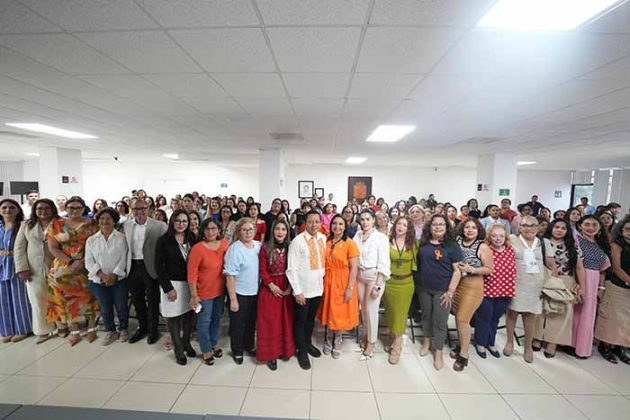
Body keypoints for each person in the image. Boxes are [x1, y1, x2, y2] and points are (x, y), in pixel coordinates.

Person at [46, 196, 99, 345]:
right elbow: (53, 248)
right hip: (64, 263)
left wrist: (84, 261)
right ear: (66, 208)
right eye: (71, 208)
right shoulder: (56, 224)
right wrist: (71, 261)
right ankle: (73, 328)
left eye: (77, 208)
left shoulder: (93, 224)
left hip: (87, 263)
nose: (74, 210)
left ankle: (91, 326)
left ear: (83, 209)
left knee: (89, 294)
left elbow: (99, 243)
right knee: (65, 294)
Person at [533, 219, 585, 358]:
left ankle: (553, 342)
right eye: (556, 227)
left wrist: (582, 287)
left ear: (567, 231)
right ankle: (537, 337)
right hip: (545, 279)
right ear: (551, 227)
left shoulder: (573, 245)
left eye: (563, 228)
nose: (559, 230)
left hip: (566, 281)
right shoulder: (541, 242)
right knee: (541, 311)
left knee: (562, 313)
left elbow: (579, 267)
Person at [417, 214, 462, 370]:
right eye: (435, 224)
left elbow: (457, 271)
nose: (438, 227)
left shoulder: (452, 246)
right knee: (426, 317)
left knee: (440, 322)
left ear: (446, 227)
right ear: (430, 227)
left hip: (443, 291)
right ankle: (426, 341)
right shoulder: (423, 243)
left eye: (441, 224)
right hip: (423, 288)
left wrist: (450, 292)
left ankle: (438, 351)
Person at [122, 198, 168, 344]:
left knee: (153, 300)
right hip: (133, 266)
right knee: (137, 300)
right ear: (132, 210)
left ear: (148, 209)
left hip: (150, 267)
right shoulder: (127, 225)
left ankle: (153, 330)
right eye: (136, 209)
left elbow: (166, 248)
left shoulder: (159, 226)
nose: (140, 212)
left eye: (143, 208)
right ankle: (143, 327)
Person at [450, 218, 493, 371]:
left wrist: (472, 269)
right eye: (467, 227)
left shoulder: (482, 246)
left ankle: (464, 354)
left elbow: (489, 269)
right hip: (458, 283)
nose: (469, 230)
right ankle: (461, 344)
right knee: (458, 317)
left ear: (478, 230)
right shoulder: (457, 241)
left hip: (473, 285)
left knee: (463, 319)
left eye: (473, 228)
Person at [14, 199, 59, 344]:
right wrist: (22, 268)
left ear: (52, 209)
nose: (43, 211)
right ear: (34, 210)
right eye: (39, 208)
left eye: (47, 208)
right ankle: (43, 331)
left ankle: (62, 327)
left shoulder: (60, 223)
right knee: (38, 300)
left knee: (58, 298)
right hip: (33, 268)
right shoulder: (26, 225)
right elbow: (19, 248)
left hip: (57, 265)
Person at [287, 211, 326, 370]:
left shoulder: (323, 239)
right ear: (305, 223)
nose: (313, 225)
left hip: (318, 289)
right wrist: (297, 291)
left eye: (316, 221)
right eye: (310, 221)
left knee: (310, 320)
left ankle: (307, 343)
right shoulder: (297, 241)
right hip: (303, 291)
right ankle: (301, 351)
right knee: (300, 322)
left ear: (320, 223)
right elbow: (291, 269)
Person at [156, 210, 196, 365]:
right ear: (172, 221)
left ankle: (186, 343)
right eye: (178, 221)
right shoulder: (163, 240)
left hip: (189, 284)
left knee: (188, 316)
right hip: (172, 284)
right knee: (173, 317)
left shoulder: (192, 238)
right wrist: (168, 288)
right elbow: (159, 267)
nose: (181, 224)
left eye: (184, 221)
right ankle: (178, 349)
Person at [503, 216, 546, 363]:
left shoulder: (543, 242)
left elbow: (550, 263)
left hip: (535, 284)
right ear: (520, 227)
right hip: (516, 282)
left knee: (530, 316)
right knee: (512, 313)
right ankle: (510, 342)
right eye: (525, 225)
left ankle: (528, 347)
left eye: (533, 225)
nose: (529, 228)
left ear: (538, 228)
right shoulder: (511, 240)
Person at [317, 215, 359, 360]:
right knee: (329, 310)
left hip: (343, 281)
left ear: (345, 226)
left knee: (339, 312)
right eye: (334, 223)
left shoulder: (350, 243)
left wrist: (350, 288)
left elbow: (354, 268)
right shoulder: (326, 241)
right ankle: (329, 336)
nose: (337, 226)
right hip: (328, 280)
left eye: (341, 224)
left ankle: (338, 339)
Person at [85, 207, 129, 345]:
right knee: (105, 307)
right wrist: (102, 275)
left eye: (108, 218)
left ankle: (123, 329)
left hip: (118, 279)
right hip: (98, 280)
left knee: (121, 306)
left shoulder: (122, 238)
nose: (105, 221)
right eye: (102, 218)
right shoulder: (91, 240)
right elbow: (88, 261)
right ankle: (110, 330)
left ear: (114, 221)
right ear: (98, 221)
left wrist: (114, 275)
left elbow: (124, 258)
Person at [188, 218, 229, 366]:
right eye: (207, 229)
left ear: (218, 230)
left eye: (213, 228)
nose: (211, 232)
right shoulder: (197, 248)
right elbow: (192, 275)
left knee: (217, 318)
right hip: (203, 293)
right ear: (203, 231)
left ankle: (214, 343)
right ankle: (206, 350)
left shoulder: (224, 244)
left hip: (220, 291)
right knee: (204, 322)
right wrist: (194, 296)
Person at [257, 220, 295, 370]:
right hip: (270, 287)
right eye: (277, 229)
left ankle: (285, 350)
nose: (280, 232)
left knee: (286, 320)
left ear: (287, 232)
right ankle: (271, 354)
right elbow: (262, 269)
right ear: (272, 231)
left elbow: (295, 267)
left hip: (287, 286)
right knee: (271, 322)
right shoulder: (265, 247)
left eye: (283, 229)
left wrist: (291, 287)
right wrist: (271, 285)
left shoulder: (291, 247)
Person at [571, 215, 611, 359]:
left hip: (594, 282)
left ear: (599, 228)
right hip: (578, 277)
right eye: (587, 224)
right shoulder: (575, 240)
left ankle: (582, 348)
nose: (590, 228)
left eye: (594, 225)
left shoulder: (601, 245)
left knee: (588, 315)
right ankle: (569, 344)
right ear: (580, 226)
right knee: (574, 312)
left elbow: (603, 270)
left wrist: (601, 288)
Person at [474, 225, 516, 358]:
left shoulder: (510, 249)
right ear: (489, 237)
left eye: (501, 236)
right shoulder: (485, 249)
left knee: (495, 318)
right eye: (494, 236)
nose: (498, 239)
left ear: (505, 237)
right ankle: (480, 343)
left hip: (505, 291)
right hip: (487, 290)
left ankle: (490, 342)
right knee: (484, 317)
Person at [353, 209, 391, 360]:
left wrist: (378, 286)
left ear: (373, 220)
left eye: (368, 219)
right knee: (363, 310)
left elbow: (384, 262)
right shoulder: (358, 235)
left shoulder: (381, 238)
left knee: (371, 310)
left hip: (374, 277)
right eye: (362, 219)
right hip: (359, 276)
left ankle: (371, 343)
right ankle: (366, 335)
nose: (365, 222)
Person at [224, 218, 262, 365]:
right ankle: (237, 350)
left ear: (255, 231)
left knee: (251, 322)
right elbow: (230, 276)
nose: (247, 232)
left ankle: (249, 345)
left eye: (250, 229)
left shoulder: (258, 246)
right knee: (238, 324)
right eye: (244, 230)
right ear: (238, 232)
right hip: (239, 293)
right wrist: (233, 299)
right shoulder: (235, 249)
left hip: (255, 292)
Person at [595, 215, 630, 364]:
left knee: (625, 321)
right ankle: (605, 346)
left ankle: (618, 347)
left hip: (628, 290)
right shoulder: (616, 245)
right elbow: (616, 268)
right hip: (616, 285)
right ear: (621, 230)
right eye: (628, 229)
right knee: (611, 319)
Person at [384, 216, 417, 364]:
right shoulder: (386, 242)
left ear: (408, 229)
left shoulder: (414, 244)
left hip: (406, 284)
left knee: (401, 315)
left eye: (404, 225)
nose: (401, 227)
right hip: (389, 283)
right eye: (399, 224)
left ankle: (397, 346)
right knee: (390, 313)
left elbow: (417, 265)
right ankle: (392, 336)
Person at [0, 199, 32, 343]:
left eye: (11, 207)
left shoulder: (23, 226)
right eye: (4, 207)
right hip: (1, 265)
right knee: (2, 299)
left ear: (18, 210)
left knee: (19, 297)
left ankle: (23, 328)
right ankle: (7, 330)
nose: (8, 210)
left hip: (17, 264)